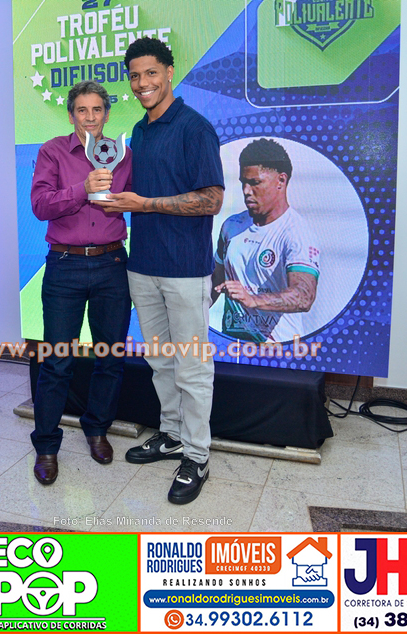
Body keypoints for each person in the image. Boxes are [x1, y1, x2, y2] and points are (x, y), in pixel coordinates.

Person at [97, 37, 224, 504]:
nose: (142, 83)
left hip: (185, 270)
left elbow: (212, 199)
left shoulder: (195, 128)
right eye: (134, 76)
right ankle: (171, 434)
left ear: (169, 72)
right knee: (160, 361)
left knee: (192, 367)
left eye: (151, 73)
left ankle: (198, 455)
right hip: (143, 265)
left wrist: (144, 204)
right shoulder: (139, 130)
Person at [29, 80, 132, 485]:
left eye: (97, 110)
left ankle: (97, 429)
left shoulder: (123, 155)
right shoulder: (53, 151)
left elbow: (137, 200)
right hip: (65, 265)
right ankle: (46, 447)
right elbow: (40, 205)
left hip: (112, 264)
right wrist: (82, 189)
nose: (90, 117)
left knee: (110, 357)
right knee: (57, 361)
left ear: (107, 113)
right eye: (82, 110)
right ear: (71, 114)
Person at [212, 138, 319, 343]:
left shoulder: (297, 233)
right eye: (243, 183)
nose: (246, 191)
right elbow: (215, 282)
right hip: (232, 345)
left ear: (281, 180)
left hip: (277, 349)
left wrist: (253, 300)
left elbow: (304, 296)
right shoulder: (231, 226)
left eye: (255, 183)